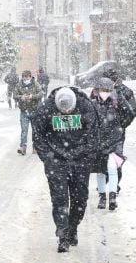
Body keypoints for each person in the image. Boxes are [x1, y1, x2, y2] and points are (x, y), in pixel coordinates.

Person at [31, 86, 101, 252]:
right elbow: (38, 136)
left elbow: (93, 136)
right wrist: (48, 157)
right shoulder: (46, 109)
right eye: (64, 112)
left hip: (80, 159)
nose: (67, 114)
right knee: (59, 199)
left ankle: (73, 227)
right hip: (56, 160)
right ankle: (63, 235)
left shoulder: (86, 106)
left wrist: (85, 156)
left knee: (80, 198)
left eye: (70, 112)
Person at [90, 77, 134, 211]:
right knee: (100, 171)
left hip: (115, 140)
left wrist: (121, 125)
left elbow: (130, 113)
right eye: (102, 90)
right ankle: (102, 196)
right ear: (97, 90)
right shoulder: (92, 104)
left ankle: (112, 196)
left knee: (112, 168)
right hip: (98, 141)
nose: (104, 92)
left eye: (107, 90)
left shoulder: (116, 101)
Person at [103, 67, 136, 194]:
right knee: (102, 157)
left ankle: (115, 183)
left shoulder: (124, 91)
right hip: (101, 131)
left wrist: (122, 124)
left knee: (116, 157)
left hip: (117, 131)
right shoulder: (99, 91)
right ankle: (105, 182)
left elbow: (132, 111)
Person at [14, 70, 43, 155]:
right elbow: (15, 96)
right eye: (24, 77)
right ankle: (23, 147)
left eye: (27, 77)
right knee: (24, 130)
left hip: (34, 110)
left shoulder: (35, 84)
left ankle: (35, 147)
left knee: (35, 130)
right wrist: (21, 97)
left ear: (30, 77)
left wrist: (32, 96)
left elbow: (41, 94)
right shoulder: (19, 85)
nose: (25, 79)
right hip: (24, 111)